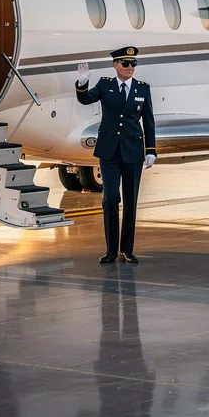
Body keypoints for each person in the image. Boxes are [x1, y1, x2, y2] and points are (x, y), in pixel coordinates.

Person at [76, 47, 156, 264]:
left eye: (134, 64)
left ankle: (127, 250)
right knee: (110, 198)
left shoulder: (143, 89)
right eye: (125, 64)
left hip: (133, 152)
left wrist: (151, 150)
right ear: (115, 65)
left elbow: (148, 121)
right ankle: (111, 250)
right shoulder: (105, 85)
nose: (130, 68)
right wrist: (82, 84)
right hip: (109, 152)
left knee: (131, 202)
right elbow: (86, 99)